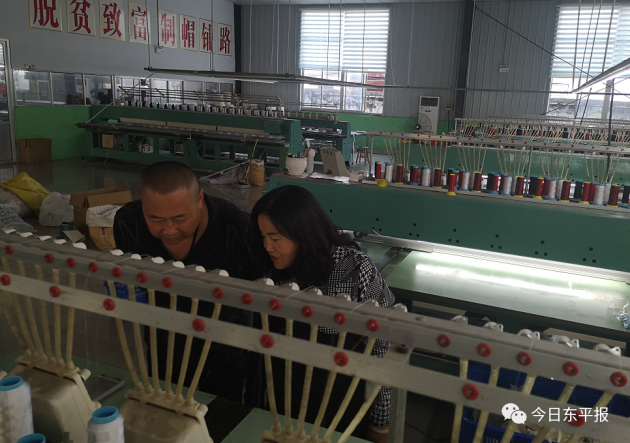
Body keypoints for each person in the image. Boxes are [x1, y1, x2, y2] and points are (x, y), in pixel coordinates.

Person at [249, 185, 395, 443]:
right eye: (262, 236)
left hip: (340, 409)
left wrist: (380, 423)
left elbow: (382, 349)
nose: (267, 246)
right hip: (281, 405)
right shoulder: (269, 270)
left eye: (275, 238)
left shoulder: (354, 269)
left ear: (303, 234)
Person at [113, 161, 257, 402]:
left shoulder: (238, 229)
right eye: (156, 219)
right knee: (165, 403)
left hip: (225, 342)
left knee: (221, 408)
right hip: (163, 335)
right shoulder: (129, 223)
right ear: (141, 200)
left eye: (180, 218)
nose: (170, 230)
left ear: (199, 198)